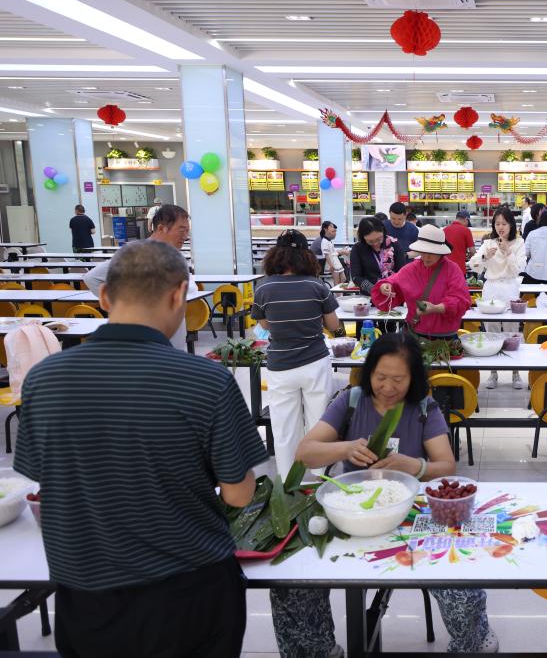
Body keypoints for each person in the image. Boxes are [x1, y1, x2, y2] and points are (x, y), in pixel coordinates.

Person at [14, 240, 268, 658]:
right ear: (179, 295)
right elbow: (239, 495)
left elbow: (43, 478)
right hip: (188, 593)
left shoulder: (44, 379)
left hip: (86, 598)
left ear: (103, 296)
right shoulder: (206, 381)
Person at [269, 334, 498, 657]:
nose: (388, 387)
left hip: (409, 516)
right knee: (292, 585)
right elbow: (304, 453)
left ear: (413, 378)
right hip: (351, 514)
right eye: (380, 377)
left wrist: (414, 466)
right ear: (369, 372)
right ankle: (316, 651)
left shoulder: (424, 408)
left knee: (459, 586)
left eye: (398, 379)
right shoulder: (350, 401)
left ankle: (474, 643)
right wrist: (346, 448)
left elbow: (446, 466)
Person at [252, 229, 341, 476]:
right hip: (314, 362)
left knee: (284, 426)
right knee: (319, 421)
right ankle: (319, 476)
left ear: (275, 255)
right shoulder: (317, 286)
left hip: (280, 365)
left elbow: (264, 324)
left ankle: (289, 481)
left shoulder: (263, 288)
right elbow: (333, 324)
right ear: (306, 255)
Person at [84, 204, 196, 351]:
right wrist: (122, 305)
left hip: (175, 342)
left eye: (187, 231)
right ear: (161, 228)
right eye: (181, 230)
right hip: (145, 342)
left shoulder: (176, 255)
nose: (185, 236)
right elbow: (91, 278)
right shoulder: (136, 253)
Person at [372, 224, 471, 339]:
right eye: (423, 252)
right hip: (415, 334)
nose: (426, 257)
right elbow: (393, 281)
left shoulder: (452, 269)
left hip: (445, 337)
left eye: (431, 253)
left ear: (441, 252)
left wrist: (436, 308)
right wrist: (385, 286)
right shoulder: (411, 268)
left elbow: (461, 300)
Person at [468, 207, 526, 390]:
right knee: (491, 332)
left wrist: (508, 252)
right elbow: (473, 264)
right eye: (497, 223)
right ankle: (493, 372)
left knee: (511, 331)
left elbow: (519, 268)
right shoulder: (488, 243)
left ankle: (515, 371)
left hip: (509, 288)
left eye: (504, 223)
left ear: (511, 225)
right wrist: (485, 256)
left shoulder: (519, 243)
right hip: (491, 289)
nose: (500, 227)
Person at [349, 215, 408, 296]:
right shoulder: (358, 249)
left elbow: (402, 271)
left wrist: (392, 284)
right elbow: (356, 277)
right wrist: (375, 289)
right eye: (370, 241)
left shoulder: (394, 244)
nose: (375, 244)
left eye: (379, 239)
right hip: (369, 297)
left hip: (393, 293)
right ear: (363, 238)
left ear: (383, 232)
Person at [522, 210, 547, 283]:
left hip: (533, 271)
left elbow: (526, 252)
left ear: (540, 220)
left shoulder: (532, 234)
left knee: (532, 290)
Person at [443, 209, 476, 274]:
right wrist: (471, 257)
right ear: (465, 220)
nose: (467, 226)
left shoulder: (444, 230)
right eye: (467, 223)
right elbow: (473, 251)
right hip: (459, 269)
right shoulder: (466, 230)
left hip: (445, 269)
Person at [318, 220, 347, 286]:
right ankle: (337, 291)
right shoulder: (325, 241)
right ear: (325, 229)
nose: (333, 229)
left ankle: (339, 290)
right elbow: (326, 254)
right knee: (337, 280)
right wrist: (331, 265)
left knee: (343, 278)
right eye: (331, 227)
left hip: (335, 260)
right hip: (332, 262)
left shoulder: (329, 241)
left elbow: (332, 252)